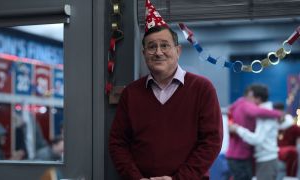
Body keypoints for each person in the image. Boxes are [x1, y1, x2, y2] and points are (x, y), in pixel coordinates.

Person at [109, 1, 223, 179]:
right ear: (144, 53)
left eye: (165, 45)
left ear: (178, 51)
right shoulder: (131, 93)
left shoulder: (202, 88)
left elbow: (211, 142)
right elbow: (118, 143)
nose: (158, 52)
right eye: (152, 47)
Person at [226, 84, 283, 180]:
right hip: (242, 156)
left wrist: (237, 129)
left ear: (258, 99)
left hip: (262, 158)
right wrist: (278, 114)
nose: (247, 99)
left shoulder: (261, 111)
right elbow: (256, 113)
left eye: (250, 97)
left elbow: (257, 139)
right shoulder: (246, 105)